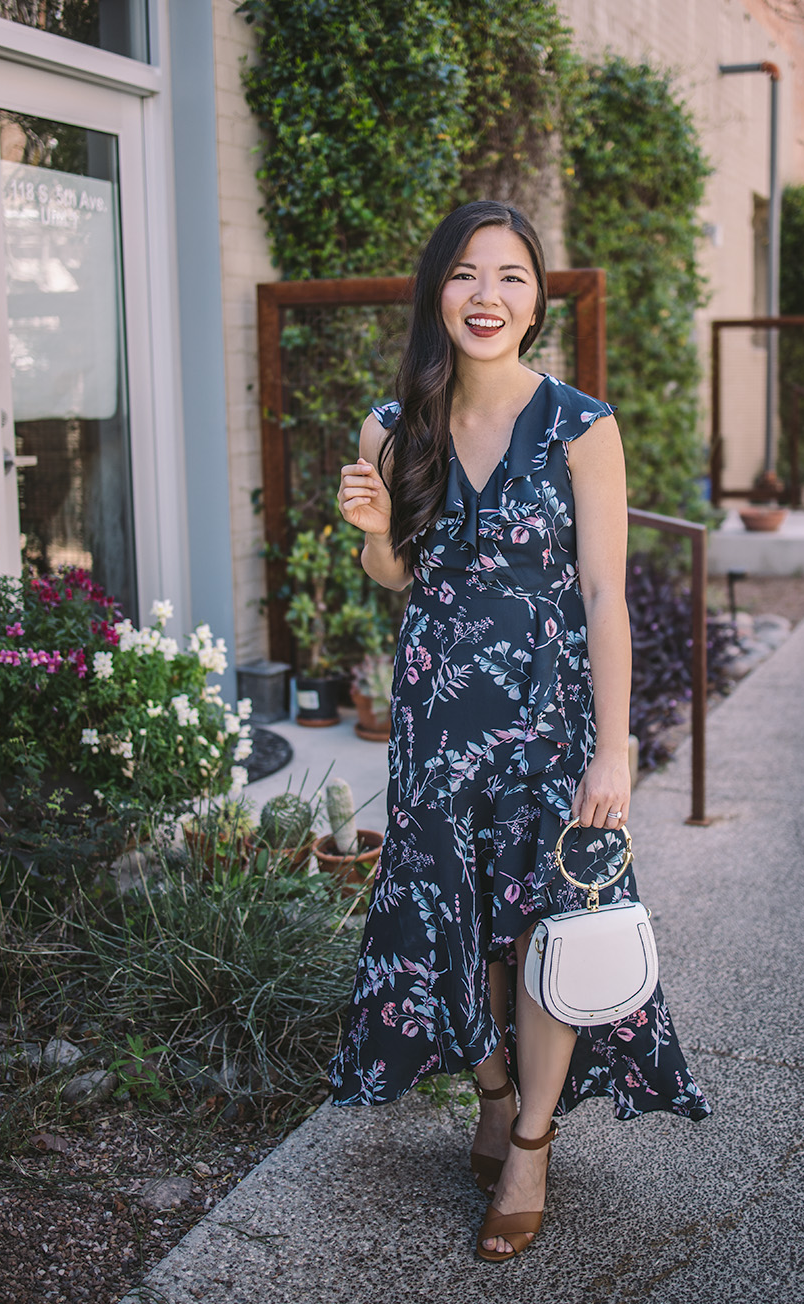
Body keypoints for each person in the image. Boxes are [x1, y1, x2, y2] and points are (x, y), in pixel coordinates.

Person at [330, 201, 710, 1261]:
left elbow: (603, 592)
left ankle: (530, 1142)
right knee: (458, 922)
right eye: (463, 274)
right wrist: (371, 534)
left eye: (508, 276)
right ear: (434, 292)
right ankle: (490, 1088)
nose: (485, 296)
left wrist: (615, 744)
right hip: (440, 718)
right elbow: (401, 580)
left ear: (536, 299)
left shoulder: (582, 425)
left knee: (549, 927)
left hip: (549, 719)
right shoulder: (391, 422)